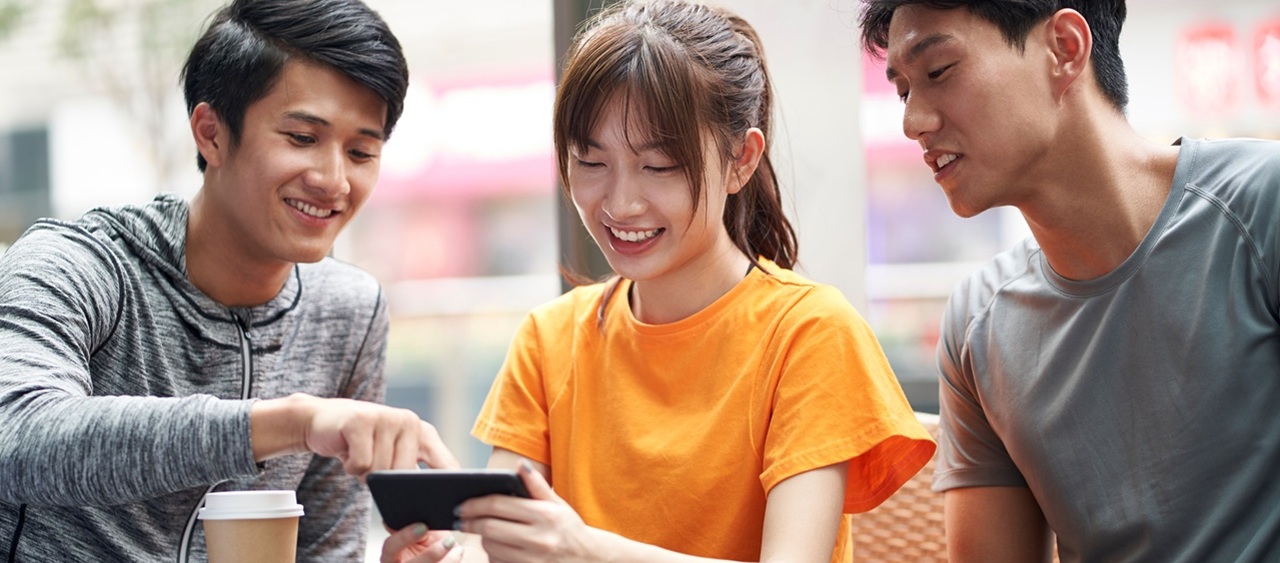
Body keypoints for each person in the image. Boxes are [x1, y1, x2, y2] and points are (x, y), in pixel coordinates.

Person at [381, 1, 935, 562]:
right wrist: (451, 554)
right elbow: (502, 543)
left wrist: (581, 550)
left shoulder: (809, 333)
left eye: (660, 166)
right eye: (591, 162)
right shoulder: (549, 338)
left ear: (741, 159)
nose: (621, 203)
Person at [0, 0, 460, 560]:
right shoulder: (80, 264)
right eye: (301, 138)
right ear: (211, 132)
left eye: (361, 151)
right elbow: (16, 439)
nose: (334, 180)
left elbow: (322, 550)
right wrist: (292, 422)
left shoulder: (349, 310)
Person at [858, 0, 1280, 561]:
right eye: (904, 90)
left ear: (1064, 49)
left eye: (937, 72)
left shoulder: (1261, 209)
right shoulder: (979, 325)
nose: (913, 123)